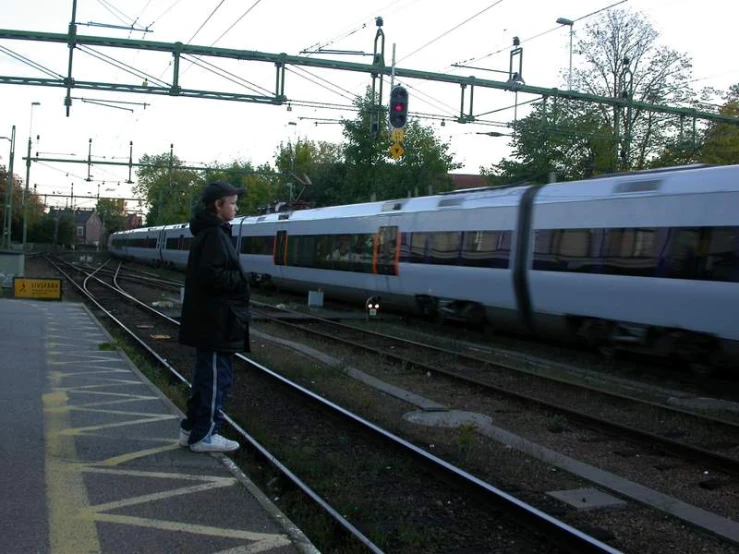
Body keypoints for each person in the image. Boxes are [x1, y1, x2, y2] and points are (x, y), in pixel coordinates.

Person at [178, 181, 251, 453]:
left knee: (205, 378)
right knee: (215, 379)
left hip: (214, 321)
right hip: (216, 322)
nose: (236, 207)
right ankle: (205, 435)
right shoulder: (214, 236)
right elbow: (212, 276)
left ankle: (190, 430)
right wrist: (242, 280)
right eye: (231, 203)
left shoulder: (212, 233)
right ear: (217, 205)